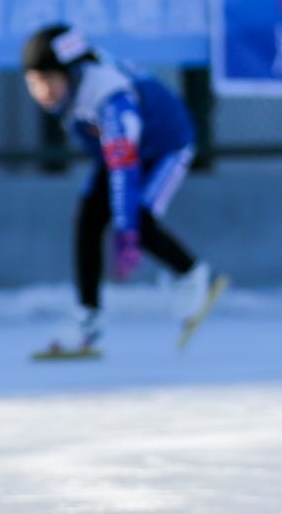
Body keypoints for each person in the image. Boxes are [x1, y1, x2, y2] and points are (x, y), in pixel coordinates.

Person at [21, 22, 223, 357]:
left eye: (49, 80)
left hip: (165, 146)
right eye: (34, 82)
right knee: (87, 218)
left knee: (137, 217)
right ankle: (86, 319)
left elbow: (124, 169)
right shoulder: (71, 91)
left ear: (70, 75)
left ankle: (192, 273)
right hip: (121, 150)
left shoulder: (111, 100)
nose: (43, 92)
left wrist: (126, 233)